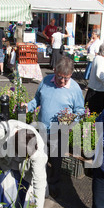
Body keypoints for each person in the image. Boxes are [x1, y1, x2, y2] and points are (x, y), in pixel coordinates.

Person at [25, 56, 85, 197]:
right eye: (60, 77)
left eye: (67, 78)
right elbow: (37, 100)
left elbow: (80, 111)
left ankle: (53, 187)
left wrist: (72, 120)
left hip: (60, 131)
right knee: (40, 157)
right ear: (54, 71)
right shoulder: (46, 81)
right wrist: (28, 106)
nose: (63, 81)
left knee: (56, 162)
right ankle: (40, 186)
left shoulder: (74, 88)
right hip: (41, 128)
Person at [0, 120, 48, 208]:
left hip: (24, 173)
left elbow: (39, 181)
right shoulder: (1, 131)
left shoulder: (39, 152)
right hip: (5, 165)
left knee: (21, 200)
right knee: (0, 197)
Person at [85, 43, 104, 114]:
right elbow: (99, 74)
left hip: (99, 89)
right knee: (93, 112)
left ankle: (92, 125)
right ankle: (91, 125)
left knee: (94, 111)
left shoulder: (99, 59)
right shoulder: (99, 59)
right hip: (96, 90)